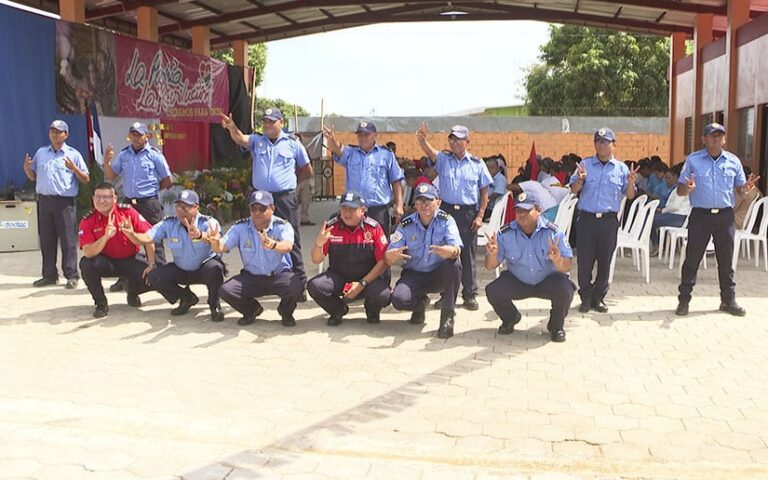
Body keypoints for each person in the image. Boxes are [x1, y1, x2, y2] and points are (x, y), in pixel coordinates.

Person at [220, 108, 313, 294]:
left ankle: (299, 282)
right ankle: (259, 276)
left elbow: (307, 169)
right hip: (260, 198)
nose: (267, 125)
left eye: (272, 121)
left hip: (284, 197)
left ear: (281, 122)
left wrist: (293, 187)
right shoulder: (257, 141)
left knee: (291, 238)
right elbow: (241, 139)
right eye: (265, 121)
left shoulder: (293, 143)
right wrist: (232, 127)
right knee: (257, 234)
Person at [675, 123, 759, 317]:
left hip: (724, 216)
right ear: (704, 139)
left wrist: (745, 189)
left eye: (719, 136)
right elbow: (680, 191)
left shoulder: (733, 161)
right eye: (712, 136)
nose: (716, 139)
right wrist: (687, 188)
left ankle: (728, 300)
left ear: (724, 139)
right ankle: (684, 301)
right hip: (700, 216)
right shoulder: (693, 160)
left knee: (726, 260)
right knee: (692, 259)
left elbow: (740, 190)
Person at [416, 123, 492, 311]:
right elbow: (431, 153)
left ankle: (470, 294)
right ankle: (447, 295)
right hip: (447, 211)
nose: (455, 143)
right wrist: (423, 140)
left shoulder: (477, 164)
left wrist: (480, 215)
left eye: (459, 139)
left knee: (467, 254)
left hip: (468, 213)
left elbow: (484, 192)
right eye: (452, 139)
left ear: (467, 141)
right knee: (446, 254)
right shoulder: (444, 160)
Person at [485, 189, 576, 342]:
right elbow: (490, 266)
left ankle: (556, 326)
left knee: (565, 290)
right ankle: (510, 318)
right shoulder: (505, 233)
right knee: (493, 290)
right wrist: (493, 254)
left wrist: (558, 260)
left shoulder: (553, 233)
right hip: (518, 280)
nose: (521, 215)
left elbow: (567, 266)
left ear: (538, 210)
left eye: (526, 211)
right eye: (518, 211)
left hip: (547, 280)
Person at [125, 190, 225, 322]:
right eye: (178, 206)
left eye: (185, 207)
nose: (180, 211)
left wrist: (200, 235)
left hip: (203, 268)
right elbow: (148, 238)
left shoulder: (208, 222)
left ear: (196, 207)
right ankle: (186, 298)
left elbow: (216, 239)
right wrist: (132, 235)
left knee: (216, 268)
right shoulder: (169, 223)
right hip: (181, 269)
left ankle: (214, 305)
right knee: (155, 275)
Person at [569, 127, 638, 313]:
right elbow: (573, 189)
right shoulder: (585, 164)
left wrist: (631, 182)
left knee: (605, 260)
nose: (601, 145)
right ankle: (585, 297)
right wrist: (580, 180)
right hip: (587, 219)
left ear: (613, 145)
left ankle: (599, 297)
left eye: (605, 142)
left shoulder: (621, 169)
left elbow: (630, 195)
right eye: (598, 142)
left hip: (608, 221)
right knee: (585, 261)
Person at [213, 190, 303, 327]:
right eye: (253, 208)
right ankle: (251, 310)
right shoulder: (241, 227)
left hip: (278, 275)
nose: (257, 212)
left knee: (296, 287)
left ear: (272, 209)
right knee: (226, 290)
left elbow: (288, 246)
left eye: (262, 208)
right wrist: (214, 241)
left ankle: (286, 313)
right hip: (252, 277)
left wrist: (273, 245)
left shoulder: (282, 225)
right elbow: (221, 247)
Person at [386, 183, 463, 339]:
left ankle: (447, 317)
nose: (425, 204)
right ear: (415, 204)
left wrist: (450, 251)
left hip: (438, 274)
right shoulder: (406, 224)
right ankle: (419, 305)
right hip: (414, 274)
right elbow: (389, 255)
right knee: (399, 299)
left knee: (454, 264)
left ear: (438, 202)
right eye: (420, 200)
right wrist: (392, 255)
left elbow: (457, 248)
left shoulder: (447, 221)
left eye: (429, 200)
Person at [307, 191, 391, 326]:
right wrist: (319, 244)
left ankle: (372, 310)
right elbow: (316, 260)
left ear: (363, 210)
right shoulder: (331, 228)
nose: (347, 213)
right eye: (344, 208)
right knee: (315, 286)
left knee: (383, 295)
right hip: (339, 277)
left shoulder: (373, 228)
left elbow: (383, 262)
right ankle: (338, 310)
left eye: (352, 209)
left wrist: (362, 284)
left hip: (367, 280)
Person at [23, 120, 90, 289]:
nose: (54, 135)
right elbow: (33, 177)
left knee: (68, 240)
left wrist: (74, 169)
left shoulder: (73, 154)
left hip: (64, 203)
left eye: (58, 132)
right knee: (46, 240)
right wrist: (27, 168)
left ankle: (71, 275)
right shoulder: (41, 153)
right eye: (52, 131)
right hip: (44, 201)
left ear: (66, 135)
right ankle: (49, 275)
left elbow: (86, 178)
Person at [78, 182, 155, 318]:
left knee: (156, 276)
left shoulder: (127, 212)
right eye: (98, 197)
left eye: (106, 197)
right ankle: (101, 303)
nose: (102, 201)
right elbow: (88, 252)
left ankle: (132, 291)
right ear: (93, 199)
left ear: (114, 199)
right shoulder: (88, 220)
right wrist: (105, 237)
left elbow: (149, 238)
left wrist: (151, 264)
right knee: (86, 264)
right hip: (106, 263)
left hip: (130, 259)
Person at [103, 122, 172, 269]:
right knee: (126, 236)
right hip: (129, 203)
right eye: (133, 135)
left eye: (139, 135)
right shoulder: (124, 155)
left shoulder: (154, 155)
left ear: (147, 136)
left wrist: (153, 190)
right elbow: (111, 176)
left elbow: (168, 180)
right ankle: (128, 273)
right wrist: (106, 161)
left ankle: (159, 271)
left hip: (149, 202)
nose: (136, 138)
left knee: (154, 237)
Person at [323, 121, 405, 236]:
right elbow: (338, 149)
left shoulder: (386, 155)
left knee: (380, 244)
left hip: (378, 210)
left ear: (375, 135)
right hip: (354, 209)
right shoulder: (351, 153)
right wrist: (332, 139)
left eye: (366, 135)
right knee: (354, 243)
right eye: (360, 135)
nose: (363, 138)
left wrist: (399, 205)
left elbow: (396, 180)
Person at [649, 164, 690, 256]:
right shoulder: (678, 187)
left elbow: (675, 206)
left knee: (650, 220)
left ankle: (657, 245)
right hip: (675, 215)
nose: (666, 180)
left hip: (679, 217)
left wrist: (662, 210)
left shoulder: (682, 187)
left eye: (669, 178)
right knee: (651, 219)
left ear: (676, 176)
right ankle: (658, 244)